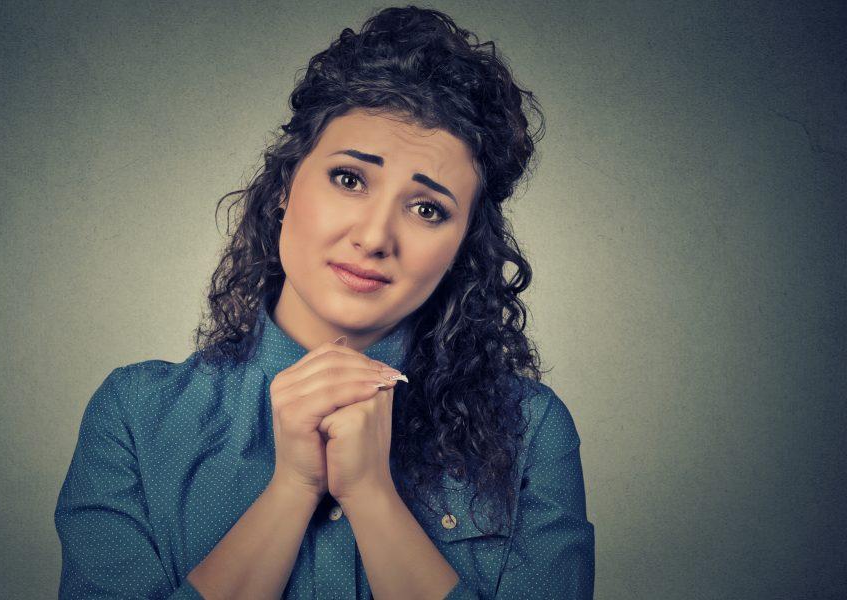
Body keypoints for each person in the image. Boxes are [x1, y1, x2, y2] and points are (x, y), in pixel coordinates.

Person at [54, 5, 594, 599]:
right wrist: (291, 489)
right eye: (349, 179)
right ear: (286, 184)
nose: (373, 237)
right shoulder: (136, 417)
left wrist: (372, 496)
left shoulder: (532, 430)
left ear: (462, 245)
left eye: (427, 209)